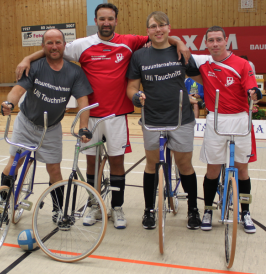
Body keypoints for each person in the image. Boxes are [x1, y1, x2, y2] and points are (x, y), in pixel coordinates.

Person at [14, 3, 190, 229]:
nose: (106, 23)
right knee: (92, 164)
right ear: (95, 21)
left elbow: (159, 37)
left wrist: (179, 42)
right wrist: (28, 57)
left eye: (110, 19)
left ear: (116, 21)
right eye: (102, 19)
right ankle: (94, 205)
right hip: (91, 117)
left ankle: (117, 207)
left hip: (116, 116)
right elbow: (52, 49)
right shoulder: (82, 45)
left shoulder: (129, 42)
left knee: (117, 162)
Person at [0, 29, 93, 224]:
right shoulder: (35, 66)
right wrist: (9, 104)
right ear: (43, 46)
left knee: (54, 170)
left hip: (51, 128)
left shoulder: (74, 72)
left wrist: (83, 127)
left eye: (58, 42)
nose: (54, 46)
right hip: (26, 123)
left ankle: (59, 212)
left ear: (64, 45)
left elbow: (83, 101)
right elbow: (17, 90)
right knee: (14, 163)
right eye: (49, 43)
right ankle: (2, 203)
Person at [126, 11, 203, 230]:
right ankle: (148, 210)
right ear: (148, 31)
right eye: (153, 26)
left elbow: (202, 78)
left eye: (162, 25)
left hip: (181, 118)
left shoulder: (181, 52)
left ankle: (193, 211)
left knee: (184, 165)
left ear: (169, 28)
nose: (158, 30)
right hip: (152, 118)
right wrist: (135, 96)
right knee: (152, 165)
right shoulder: (140, 56)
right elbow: (131, 86)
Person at [190, 26, 262, 233]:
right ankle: (208, 210)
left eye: (218, 40)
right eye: (210, 40)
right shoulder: (204, 62)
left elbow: (250, 84)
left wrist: (254, 93)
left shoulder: (242, 63)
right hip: (215, 120)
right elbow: (179, 52)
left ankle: (245, 212)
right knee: (212, 170)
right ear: (206, 43)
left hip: (240, 120)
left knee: (242, 170)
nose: (214, 44)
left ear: (226, 40)